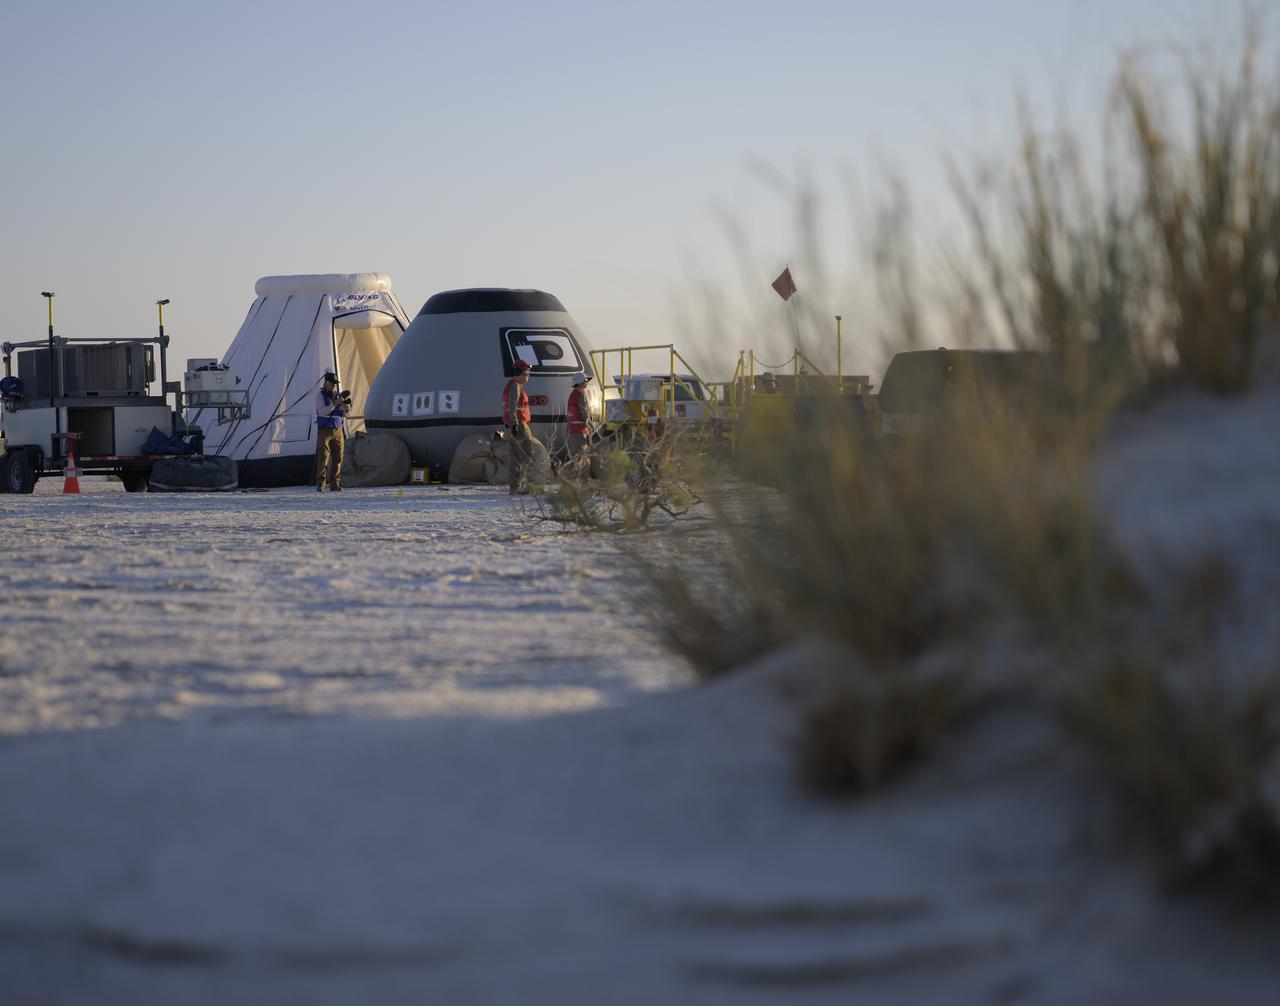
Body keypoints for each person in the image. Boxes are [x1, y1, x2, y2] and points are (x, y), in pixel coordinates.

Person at [502, 359, 534, 494]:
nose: (528, 377)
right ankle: (526, 486)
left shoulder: (511, 385)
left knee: (515, 458)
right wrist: (515, 423)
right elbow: (513, 405)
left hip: (512, 425)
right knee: (527, 455)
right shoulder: (515, 385)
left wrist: (510, 424)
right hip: (520, 425)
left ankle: (515, 487)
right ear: (522, 373)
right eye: (527, 374)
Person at [314, 371, 348, 491]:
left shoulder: (338, 395)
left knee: (338, 457)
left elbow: (343, 414)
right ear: (326, 383)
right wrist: (335, 403)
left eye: (335, 384)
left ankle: (335, 483)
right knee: (323, 457)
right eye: (332, 383)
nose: (334, 386)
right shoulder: (320, 396)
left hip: (338, 428)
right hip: (325, 430)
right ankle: (321, 483)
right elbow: (322, 411)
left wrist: (346, 408)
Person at [565, 372, 592, 475]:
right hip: (579, 431)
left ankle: (577, 482)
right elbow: (584, 411)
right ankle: (577, 482)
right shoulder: (580, 394)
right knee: (581, 458)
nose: (586, 382)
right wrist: (589, 426)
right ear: (580, 382)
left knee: (578, 457)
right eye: (585, 381)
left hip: (572, 430)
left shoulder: (573, 394)